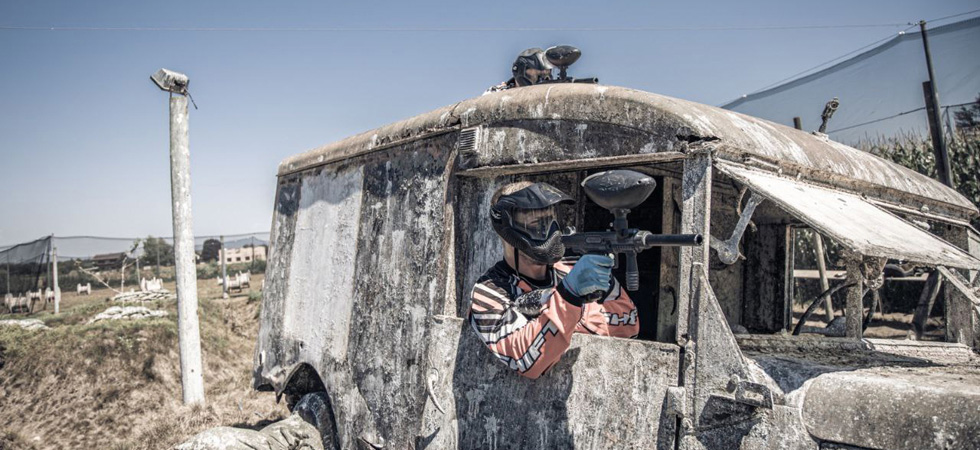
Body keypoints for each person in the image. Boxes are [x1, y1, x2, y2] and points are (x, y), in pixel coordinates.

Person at [468, 181, 639, 379]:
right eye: (535, 224)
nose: (548, 231)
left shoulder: (575, 265)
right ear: (507, 230)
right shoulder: (488, 293)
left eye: (550, 220)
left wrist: (563, 309)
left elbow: (629, 324)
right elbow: (526, 360)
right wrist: (569, 297)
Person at [484, 47, 555, 94]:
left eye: (546, 75)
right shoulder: (495, 93)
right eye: (537, 75)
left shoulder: (551, 96)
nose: (544, 80)